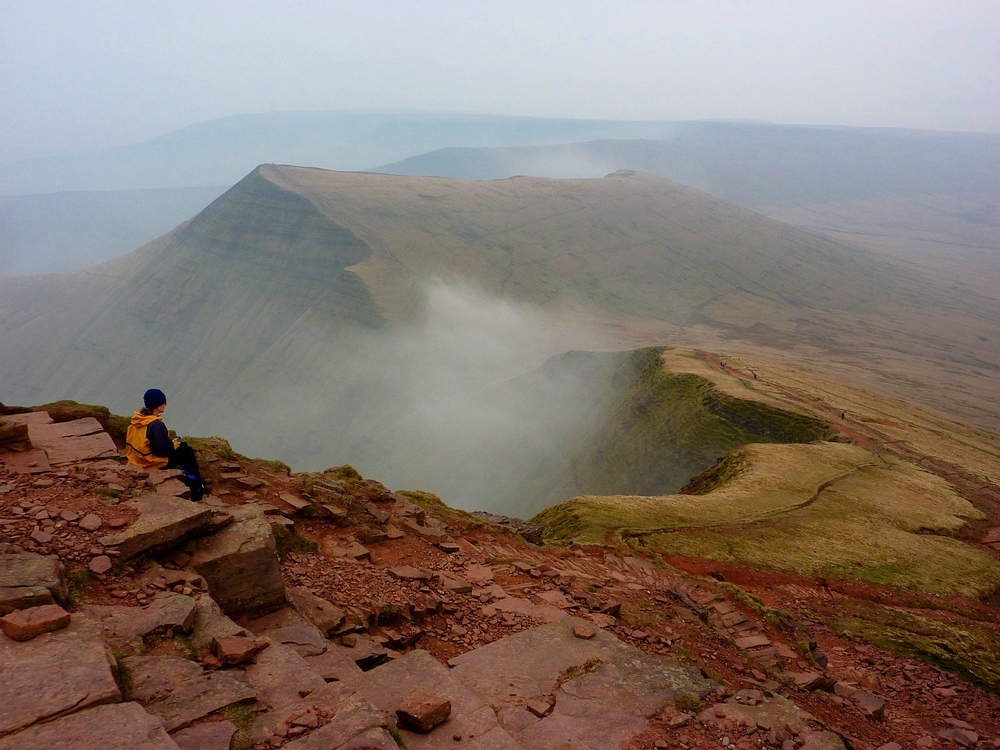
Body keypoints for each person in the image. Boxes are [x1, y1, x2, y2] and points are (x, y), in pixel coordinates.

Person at [125, 388, 207, 501]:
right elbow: (163, 451)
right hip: (149, 463)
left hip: (135, 460)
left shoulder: (137, 420)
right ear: (158, 405)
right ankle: (197, 489)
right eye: (163, 402)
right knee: (185, 451)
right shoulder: (155, 424)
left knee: (182, 447)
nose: (165, 405)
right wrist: (173, 445)